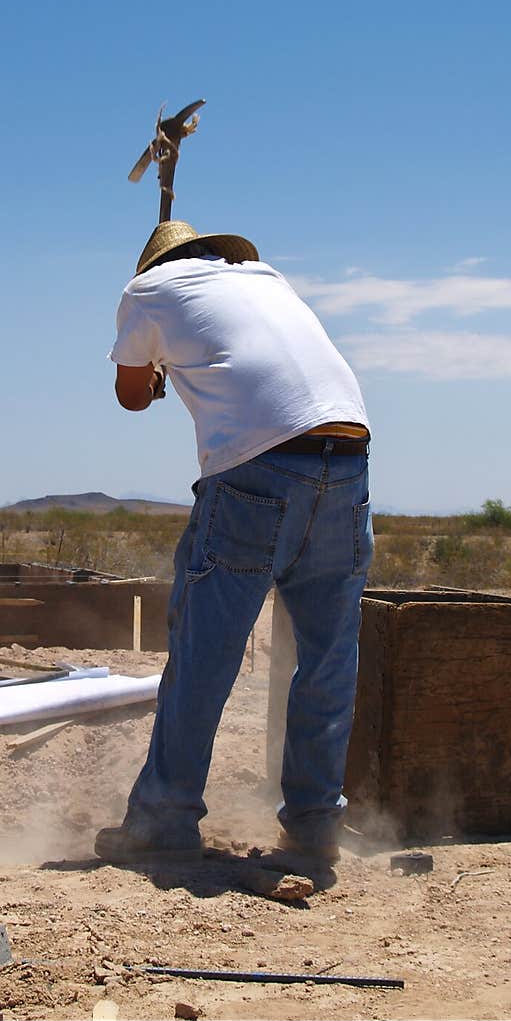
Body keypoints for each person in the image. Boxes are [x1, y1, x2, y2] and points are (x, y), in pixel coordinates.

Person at [94, 220, 374, 865]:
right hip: (348, 458)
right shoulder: (265, 277)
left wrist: (156, 372)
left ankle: (163, 821)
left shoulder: (145, 290)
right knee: (328, 657)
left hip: (258, 470)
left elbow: (131, 396)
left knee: (204, 653)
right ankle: (314, 825)